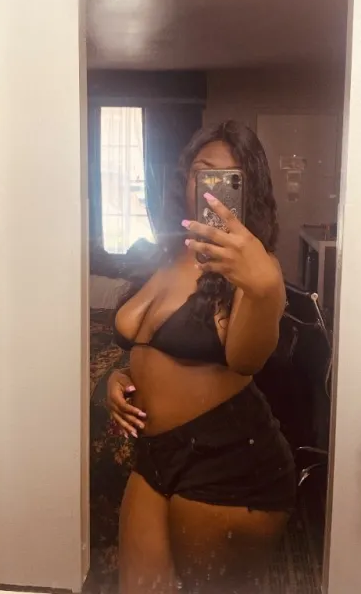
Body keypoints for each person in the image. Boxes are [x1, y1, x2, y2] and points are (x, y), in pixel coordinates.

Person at [107, 120, 296, 594]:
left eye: (229, 179)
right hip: (155, 455)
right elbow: (153, 349)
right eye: (202, 171)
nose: (211, 188)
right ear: (186, 180)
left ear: (248, 192)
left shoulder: (254, 270)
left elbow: (247, 359)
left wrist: (265, 289)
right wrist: (119, 377)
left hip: (229, 462)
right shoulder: (166, 253)